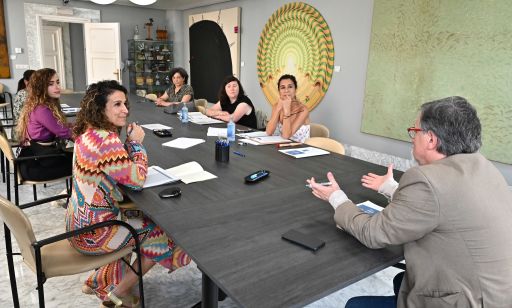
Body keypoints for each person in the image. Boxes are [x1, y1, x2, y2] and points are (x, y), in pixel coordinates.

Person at [308, 96, 512, 308]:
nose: (412, 138)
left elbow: (373, 233)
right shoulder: (483, 167)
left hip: (464, 301)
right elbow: (443, 206)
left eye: (415, 132)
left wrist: (336, 197)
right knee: (401, 281)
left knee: (355, 305)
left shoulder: (426, 179)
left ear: (431, 140)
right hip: (496, 295)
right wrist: (390, 188)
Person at [67, 80, 191, 307]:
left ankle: (97, 280)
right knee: (164, 234)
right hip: (97, 233)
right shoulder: (106, 140)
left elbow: (113, 167)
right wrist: (135, 145)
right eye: (117, 104)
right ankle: (119, 292)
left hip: (79, 224)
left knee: (135, 219)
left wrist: (125, 146)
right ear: (99, 107)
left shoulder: (87, 133)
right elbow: (137, 180)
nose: (125, 109)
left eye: (125, 103)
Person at [15, 68, 73, 181]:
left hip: (35, 159)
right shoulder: (42, 109)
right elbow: (65, 132)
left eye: (57, 82)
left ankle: (75, 196)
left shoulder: (38, 104)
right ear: (41, 87)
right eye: (50, 84)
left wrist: (75, 126)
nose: (57, 87)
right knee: (87, 164)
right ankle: (80, 197)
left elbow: (61, 127)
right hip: (36, 166)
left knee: (83, 162)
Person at [265, 74, 310, 142]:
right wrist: (278, 109)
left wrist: (287, 110)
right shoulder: (276, 106)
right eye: (282, 87)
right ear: (279, 91)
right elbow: (269, 132)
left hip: (300, 149)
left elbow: (286, 136)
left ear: (295, 90)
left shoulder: (303, 110)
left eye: (290, 87)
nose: (286, 90)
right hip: (282, 147)